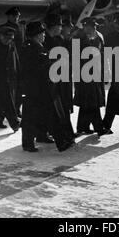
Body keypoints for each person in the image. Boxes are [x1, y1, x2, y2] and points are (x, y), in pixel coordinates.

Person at [20, 21, 75, 152]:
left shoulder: (35, 46)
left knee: (35, 116)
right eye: (41, 33)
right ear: (36, 35)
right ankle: (60, 143)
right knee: (46, 115)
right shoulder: (32, 48)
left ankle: (36, 140)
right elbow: (38, 66)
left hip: (38, 88)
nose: (44, 35)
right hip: (39, 88)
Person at [43, 13, 76, 142]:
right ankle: (49, 134)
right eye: (59, 25)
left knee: (62, 106)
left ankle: (65, 133)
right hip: (52, 80)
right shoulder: (45, 41)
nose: (61, 28)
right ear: (53, 26)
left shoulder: (59, 39)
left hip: (62, 79)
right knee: (52, 108)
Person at [73, 18, 106, 136]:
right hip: (84, 74)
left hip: (96, 72)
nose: (92, 28)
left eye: (93, 26)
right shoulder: (77, 38)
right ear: (84, 27)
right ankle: (99, 127)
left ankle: (83, 126)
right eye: (89, 26)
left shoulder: (99, 37)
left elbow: (102, 55)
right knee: (92, 101)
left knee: (88, 101)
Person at [0, 7, 24, 117]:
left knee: (20, 89)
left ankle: (17, 110)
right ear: (8, 16)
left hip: (20, 61)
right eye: (14, 16)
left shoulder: (21, 27)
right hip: (8, 61)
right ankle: (1, 116)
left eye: (17, 16)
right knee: (5, 92)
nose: (16, 18)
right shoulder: (2, 28)